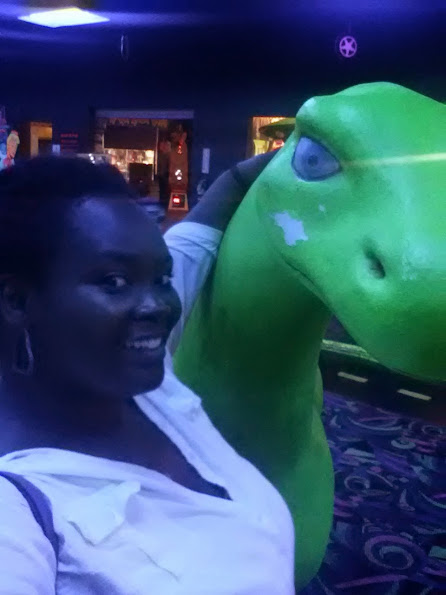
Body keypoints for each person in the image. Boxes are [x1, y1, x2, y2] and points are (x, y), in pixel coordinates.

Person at [0, 154, 295, 594]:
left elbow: (202, 227)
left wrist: (299, 150)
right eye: (115, 282)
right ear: (17, 300)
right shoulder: (16, 513)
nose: (159, 305)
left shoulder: (144, 382)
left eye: (161, 278)